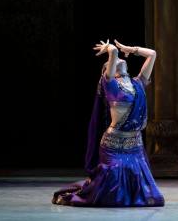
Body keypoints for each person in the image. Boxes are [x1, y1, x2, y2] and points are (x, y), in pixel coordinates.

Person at [52, 39, 164, 207]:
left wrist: (130, 49)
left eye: (118, 60)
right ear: (106, 70)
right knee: (112, 193)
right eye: (111, 63)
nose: (117, 61)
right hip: (114, 144)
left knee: (150, 197)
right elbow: (113, 53)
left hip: (135, 144)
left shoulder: (138, 83)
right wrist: (111, 50)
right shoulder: (110, 84)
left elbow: (152, 54)